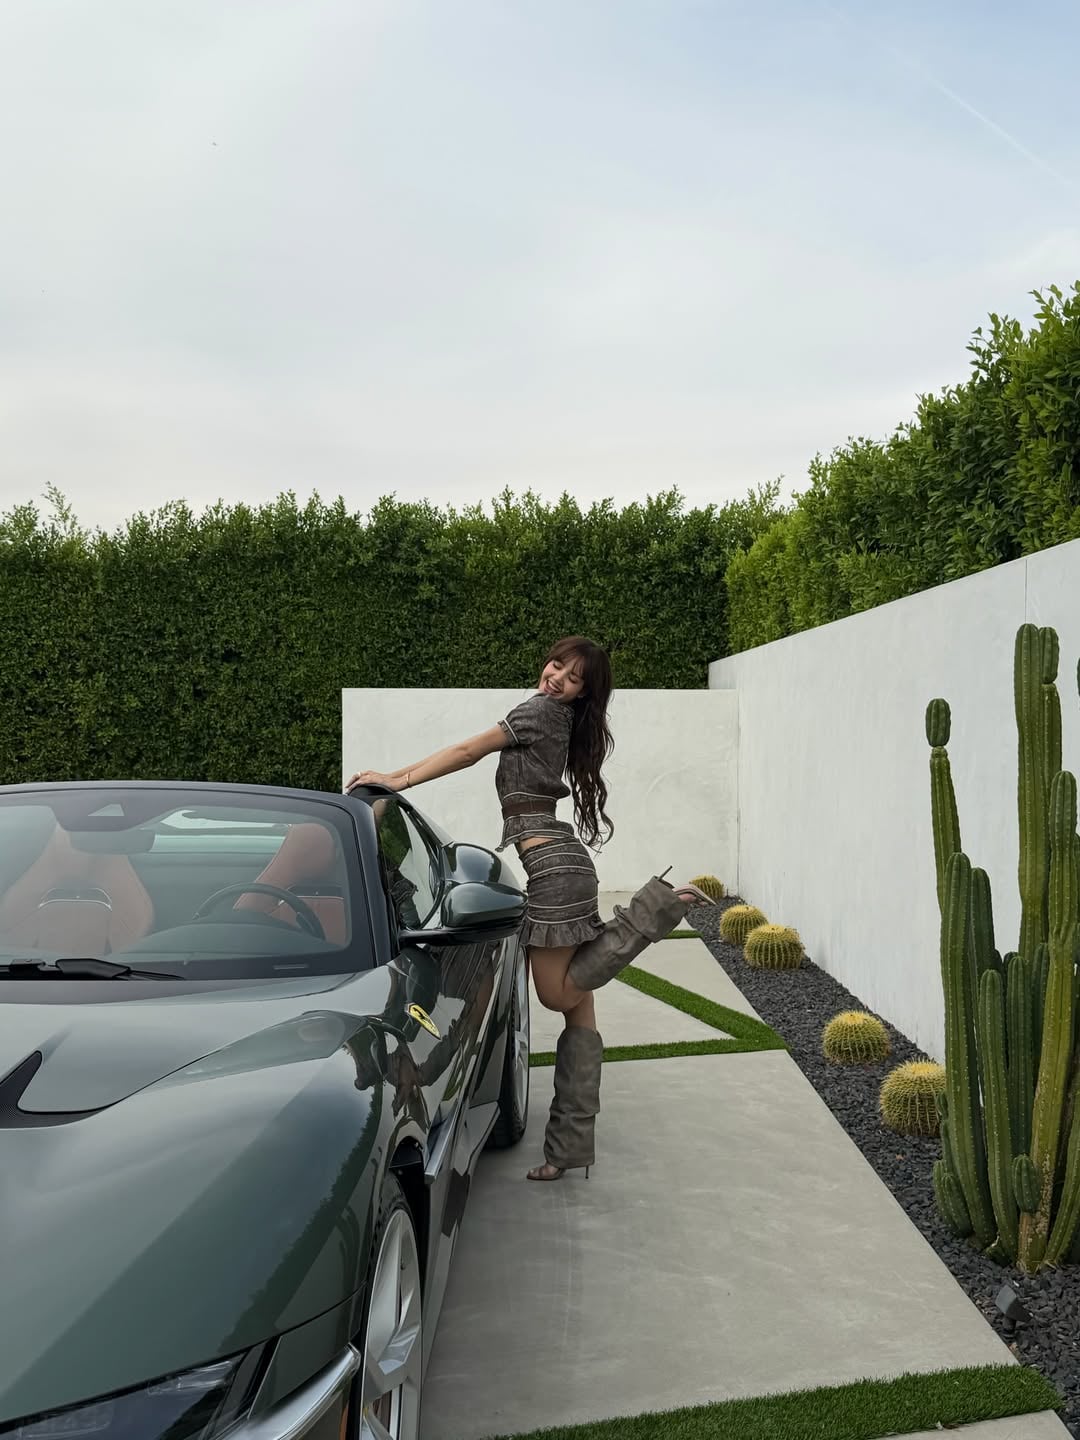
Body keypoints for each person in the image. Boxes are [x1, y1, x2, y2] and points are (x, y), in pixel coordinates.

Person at [345, 636, 716, 1182]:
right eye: (557, 664)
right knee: (579, 1011)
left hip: (554, 872)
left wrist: (396, 779)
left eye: (573, 677)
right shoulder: (558, 717)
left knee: (556, 994)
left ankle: (655, 910)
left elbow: (468, 751)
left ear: (583, 692)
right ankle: (567, 1150)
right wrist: (393, 780)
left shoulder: (538, 711)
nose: (557, 677)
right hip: (566, 864)